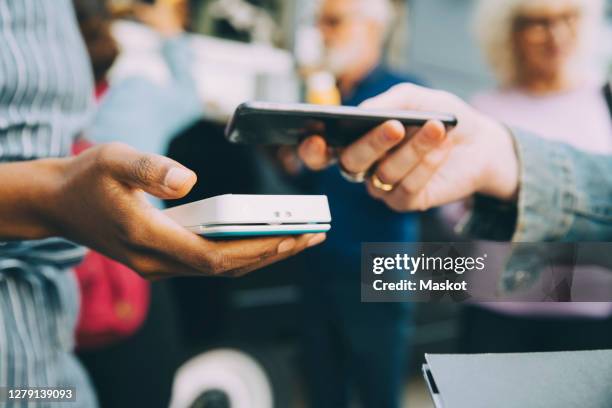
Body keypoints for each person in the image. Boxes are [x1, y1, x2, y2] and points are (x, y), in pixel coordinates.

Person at [0, 1, 324, 407]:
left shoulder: (93, 110)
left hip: (62, 322)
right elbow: (187, 95)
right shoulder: (136, 96)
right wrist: (172, 34)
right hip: (108, 290)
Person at [455, 0, 612, 354]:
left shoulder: (606, 101)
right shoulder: (485, 109)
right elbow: (456, 214)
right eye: (538, 23)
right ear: (511, 32)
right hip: (498, 308)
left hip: (588, 309)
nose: (556, 34)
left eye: (567, 18)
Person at [297, 1, 425, 407]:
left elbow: (423, 197)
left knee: (377, 391)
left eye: (333, 21)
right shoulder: (322, 95)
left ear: (370, 28)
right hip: (318, 265)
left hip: (377, 272)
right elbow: (311, 184)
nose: (322, 32)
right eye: (319, 21)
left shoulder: (404, 97)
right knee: (322, 388)